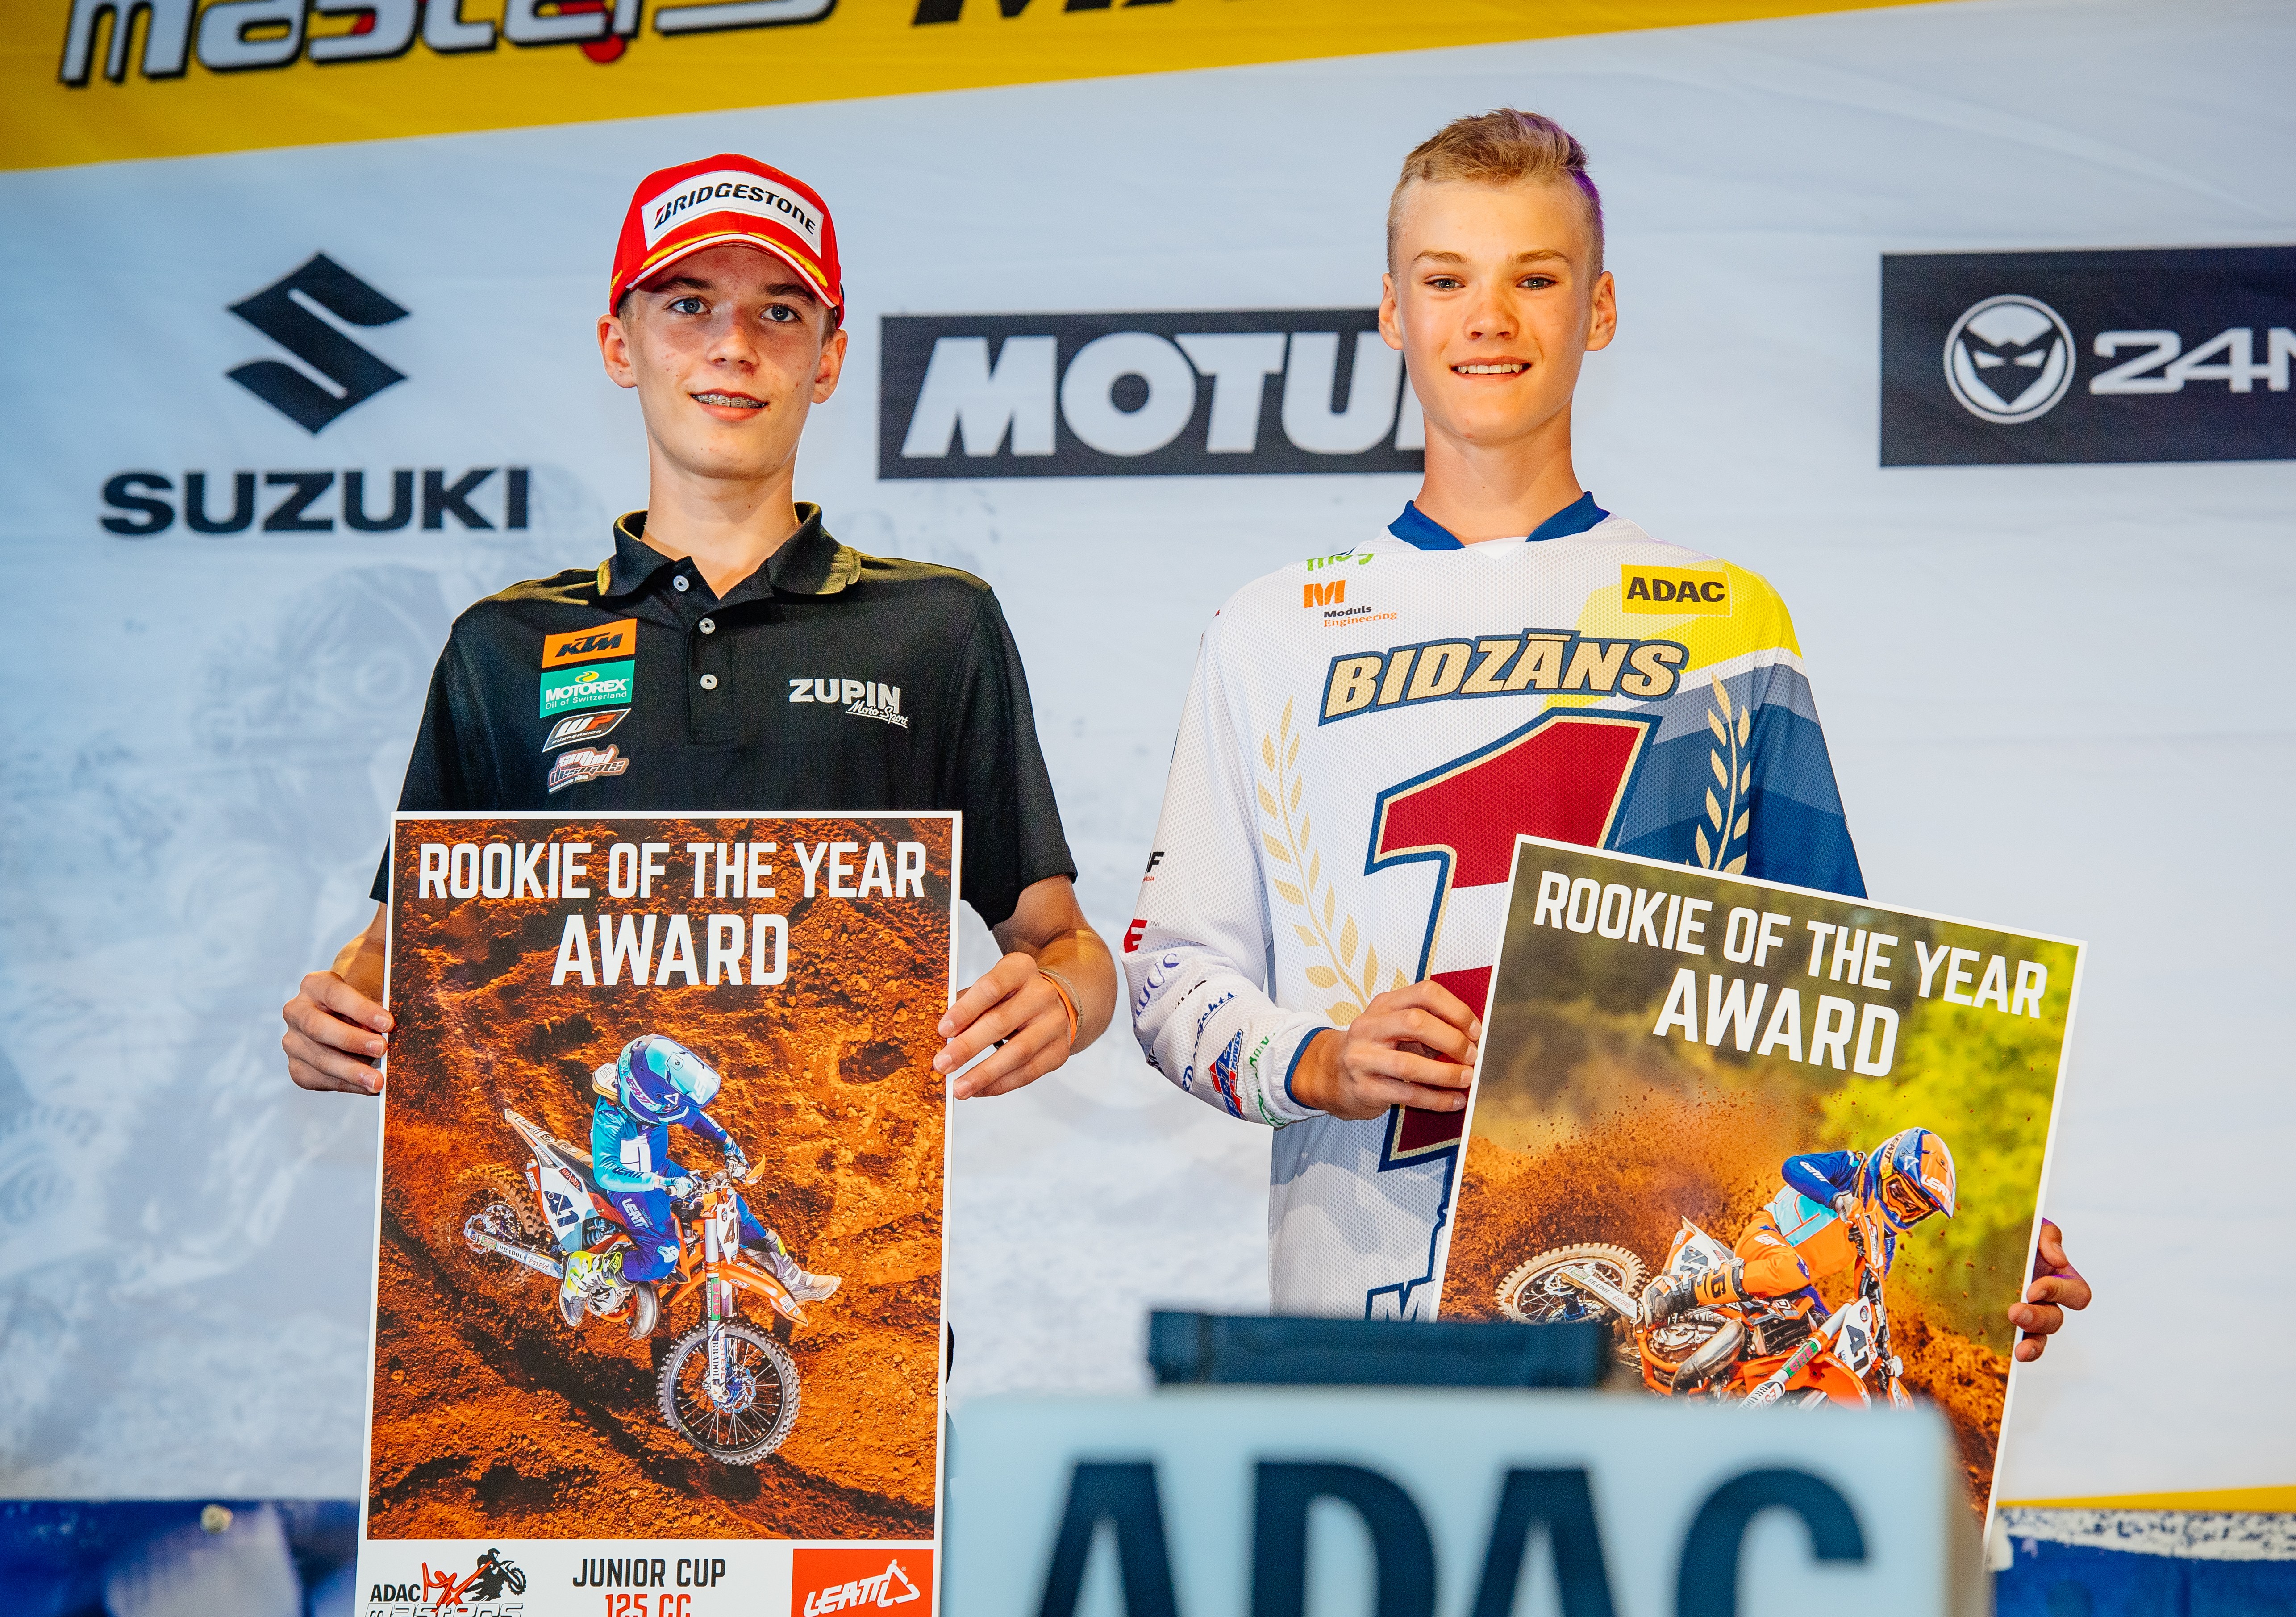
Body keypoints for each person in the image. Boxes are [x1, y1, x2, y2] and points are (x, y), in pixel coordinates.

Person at [1125, 109, 2090, 1357]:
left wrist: (1965, 1258)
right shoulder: (1270, 628)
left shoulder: (1727, 623)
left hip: (1651, 1338)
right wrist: (1317, 1061)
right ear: (1392, 311)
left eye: (1535, 278)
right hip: (1357, 1324)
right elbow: (1170, 974)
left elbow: (1829, 1007)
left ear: (1601, 308)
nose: (1489, 318)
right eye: (1446, 280)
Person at [281, 154, 1113, 1117]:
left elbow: (1061, 940)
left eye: (779, 311)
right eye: (688, 305)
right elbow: (396, 948)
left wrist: (1061, 999)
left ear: (828, 359)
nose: (733, 346)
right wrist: (338, 1011)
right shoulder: (501, 645)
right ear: (618, 345)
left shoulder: (935, 626)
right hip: (576, 1181)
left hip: (843, 1183)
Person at [563, 1033, 832, 1309]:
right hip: (632, 1187)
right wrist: (660, 1183)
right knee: (663, 1257)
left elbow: (692, 1116)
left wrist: (728, 1145)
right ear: (643, 1098)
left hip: (659, 1171)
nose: (673, 1110)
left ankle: (790, 1278)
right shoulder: (612, 1116)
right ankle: (586, 1270)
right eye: (666, 1105)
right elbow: (606, 1173)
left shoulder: (651, 1095)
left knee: (730, 1205)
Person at [1641, 1126, 1955, 1327]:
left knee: (1825, 1333)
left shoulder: (1882, 1241)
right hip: (1767, 1234)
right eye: (1899, 1193)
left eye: (1914, 1207)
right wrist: (1836, 1198)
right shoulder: (1850, 1169)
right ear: (1883, 1167)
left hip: (1795, 1282)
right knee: (1793, 1269)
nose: (1901, 1209)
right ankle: (1680, 1292)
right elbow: (1794, 1166)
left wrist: (1872, 1335)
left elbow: (1869, 1300)